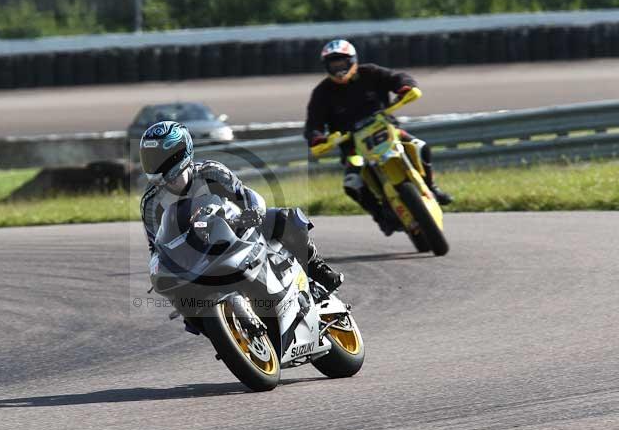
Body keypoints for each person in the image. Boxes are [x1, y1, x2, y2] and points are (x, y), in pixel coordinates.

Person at [139, 120, 343, 302]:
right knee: (182, 303)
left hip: (236, 229)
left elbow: (246, 195)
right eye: (150, 158)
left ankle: (317, 269)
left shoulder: (211, 172)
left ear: (181, 153)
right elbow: (156, 247)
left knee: (283, 217)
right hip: (194, 256)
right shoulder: (151, 202)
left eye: (160, 157)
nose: (155, 164)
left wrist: (253, 212)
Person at [304, 39, 453, 236]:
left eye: (342, 63)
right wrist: (317, 138)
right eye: (333, 64)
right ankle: (381, 216)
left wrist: (406, 86)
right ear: (326, 66)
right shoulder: (321, 93)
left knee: (420, 146)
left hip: (388, 131)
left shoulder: (371, 73)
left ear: (353, 61)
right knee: (351, 183)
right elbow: (312, 124)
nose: (338, 68)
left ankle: (432, 187)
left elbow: (397, 77)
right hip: (353, 147)